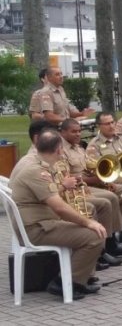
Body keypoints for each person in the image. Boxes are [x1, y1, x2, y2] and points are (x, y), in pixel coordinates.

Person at [9, 129, 107, 300]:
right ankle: (64, 283)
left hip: (39, 222)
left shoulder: (35, 162)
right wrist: (88, 223)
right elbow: (59, 207)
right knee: (94, 236)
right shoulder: (36, 170)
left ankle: (81, 278)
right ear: (59, 149)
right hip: (37, 228)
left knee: (88, 219)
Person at [59, 119, 122, 262]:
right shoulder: (61, 150)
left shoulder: (78, 147)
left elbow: (89, 167)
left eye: (79, 131)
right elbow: (68, 177)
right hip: (79, 187)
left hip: (90, 182)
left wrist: (105, 179)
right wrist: (97, 180)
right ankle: (103, 248)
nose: (78, 134)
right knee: (108, 199)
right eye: (73, 131)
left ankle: (114, 240)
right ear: (62, 132)